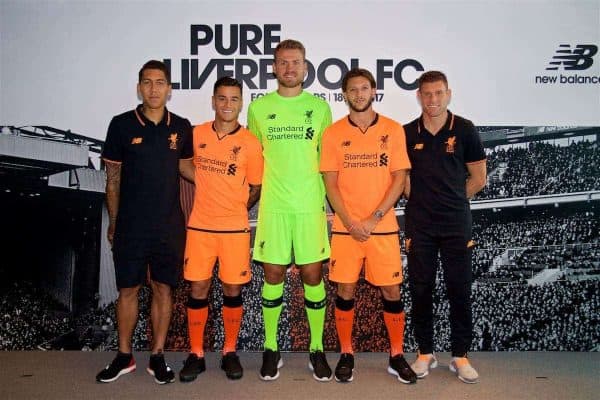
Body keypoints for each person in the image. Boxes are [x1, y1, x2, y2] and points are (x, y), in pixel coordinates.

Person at [96, 60, 194, 384]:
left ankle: (157, 356)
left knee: (163, 289)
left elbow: (187, 169)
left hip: (169, 225)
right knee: (128, 289)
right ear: (139, 87)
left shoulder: (182, 126)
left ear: (170, 89)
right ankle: (124, 356)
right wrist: (114, 221)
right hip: (131, 226)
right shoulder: (121, 125)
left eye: (160, 82)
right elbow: (112, 179)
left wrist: (224, 178)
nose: (154, 89)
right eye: (147, 83)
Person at [320, 68, 416, 384]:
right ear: (344, 95)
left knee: (392, 290)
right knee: (345, 290)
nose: (359, 94)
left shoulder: (393, 130)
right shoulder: (333, 133)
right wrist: (350, 222)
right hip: (347, 230)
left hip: (382, 227)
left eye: (365, 88)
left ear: (373, 91)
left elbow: (399, 178)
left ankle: (397, 355)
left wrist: (373, 219)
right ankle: (347, 353)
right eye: (353, 90)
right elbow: (330, 183)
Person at [247, 39, 333, 381]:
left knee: (313, 277)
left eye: (295, 62)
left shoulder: (320, 108)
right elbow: (254, 162)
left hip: (310, 209)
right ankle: (271, 347)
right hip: (274, 210)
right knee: (272, 277)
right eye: (283, 62)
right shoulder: (258, 109)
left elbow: (328, 162)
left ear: (305, 67)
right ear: (273, 67)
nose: (289, 68)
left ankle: (316, 348)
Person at [177, 77, 263, 382]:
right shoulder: (196, 133)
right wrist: (203, 180)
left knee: (232, 289)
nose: (228, 105)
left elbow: (256, 186)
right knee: (197, 289)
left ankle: (229, 352)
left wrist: (239, 204)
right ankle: (196, 354)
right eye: (222, 99)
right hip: (200, 227)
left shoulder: (251, 143)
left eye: (234, 99)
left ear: (242, 103)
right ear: (213, 101)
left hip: (234, 230)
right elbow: (182, 163)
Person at [403, 70, 487, 384]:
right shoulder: (407, 133)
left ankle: (460, 355)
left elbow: (479, 179)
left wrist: (450, 199)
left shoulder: (464, 129)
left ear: (448, 94)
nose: (433, 99)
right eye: (427, 94)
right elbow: (403, 181)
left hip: (456, 224)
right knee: (421, 289)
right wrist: (425, 201)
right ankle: (425, 352)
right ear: (419, 97)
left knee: (459, 290)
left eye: (439, 93)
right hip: (420, 225)